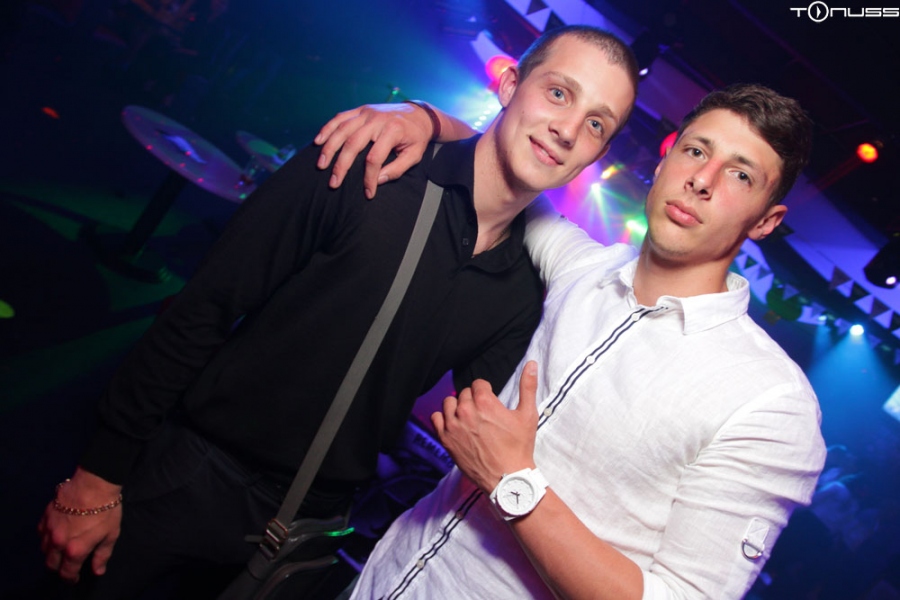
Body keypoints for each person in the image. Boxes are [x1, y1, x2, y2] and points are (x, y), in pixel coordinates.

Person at [37, 25, 638, 598]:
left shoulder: (520, 290)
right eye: (558, 93)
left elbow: (492, 426)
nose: (566, 129)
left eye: (595, 123)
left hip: (310, 529)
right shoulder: (370, 162)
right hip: (189, 473)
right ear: (509, 86)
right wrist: (98, 474)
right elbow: (204, 307)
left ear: (597, 153)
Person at [315, 83, 826, 599]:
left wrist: (512, 481)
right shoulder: (585, 268)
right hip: (376, 582)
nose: (702, 180)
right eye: (696, 151)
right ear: (665, 161)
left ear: (766, 221)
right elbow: (502, 168)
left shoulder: (770, 401)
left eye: (740, 175)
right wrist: (422, 118)